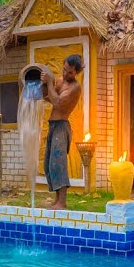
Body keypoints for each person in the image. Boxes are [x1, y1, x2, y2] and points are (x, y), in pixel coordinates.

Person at [42, 54, 83, 209]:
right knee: (49, 164)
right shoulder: (60, 81)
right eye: (64, 70)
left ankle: (62, 202)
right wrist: (42, 83)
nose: (65, 74)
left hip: (61, 126)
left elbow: (58, 102)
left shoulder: (75, 87)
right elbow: (48, 96)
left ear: (77, 72)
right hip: (52, 125)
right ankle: (57, 199)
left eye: (70, 72)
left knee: (58, 163)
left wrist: (49, 83)